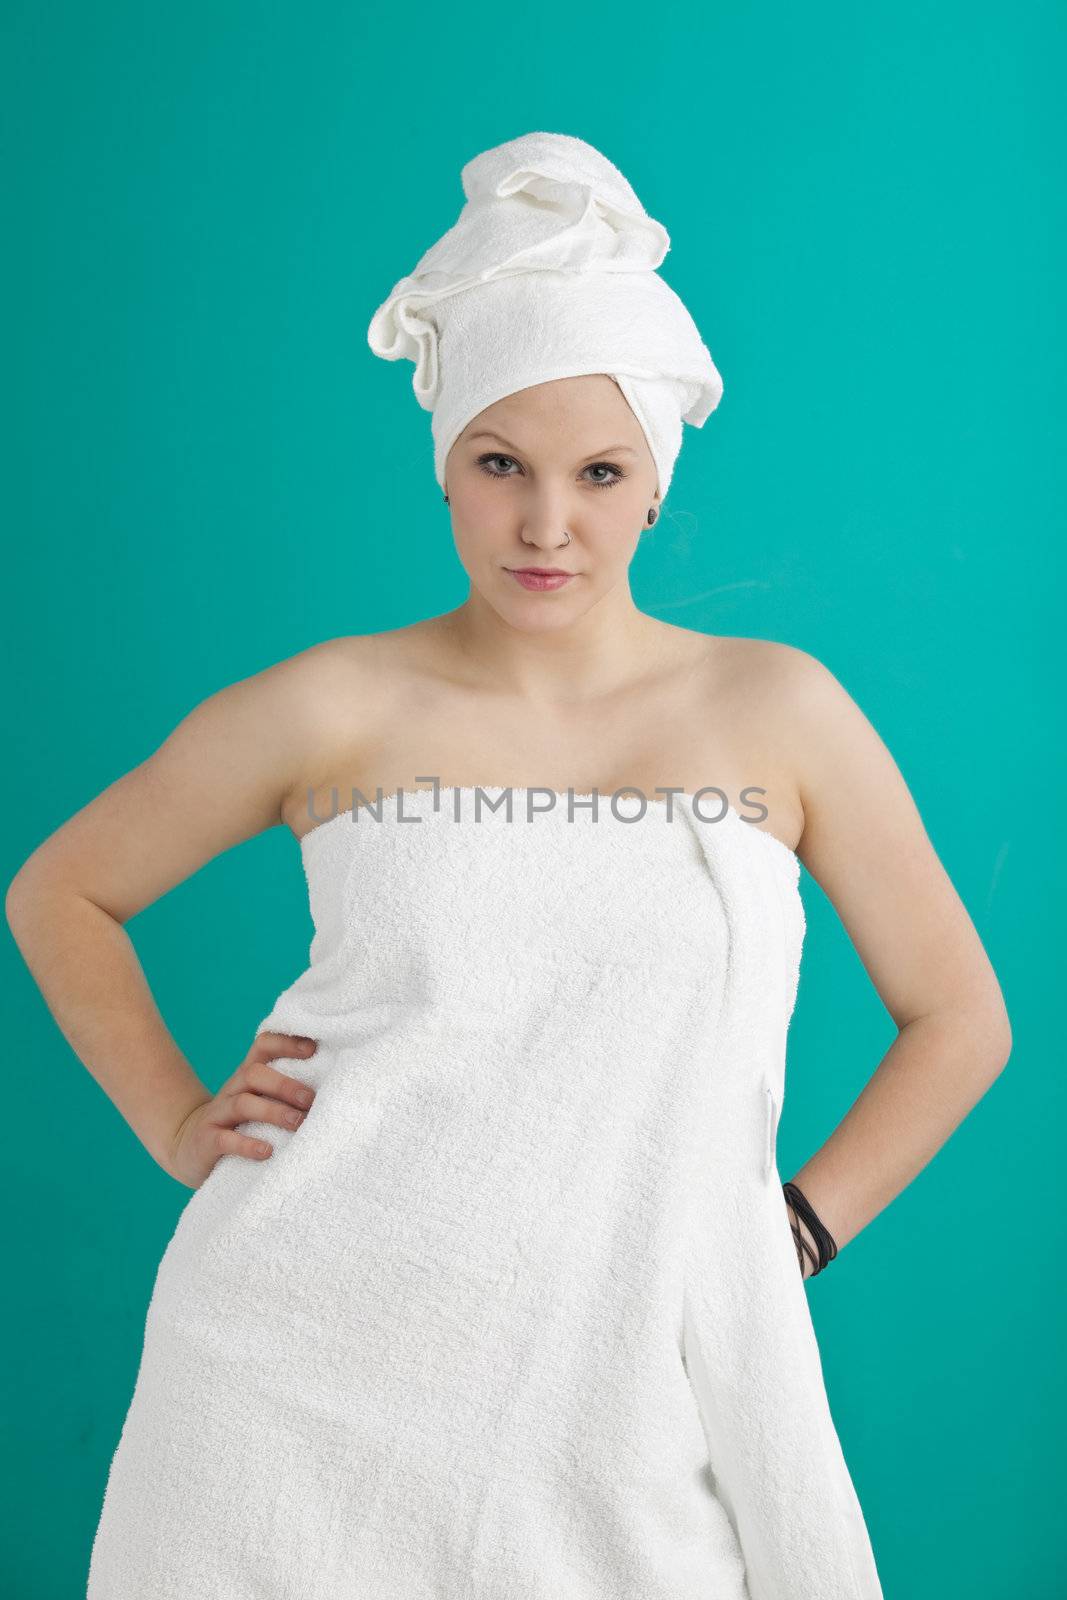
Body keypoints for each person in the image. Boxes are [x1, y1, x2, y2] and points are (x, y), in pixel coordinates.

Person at [7, 133, 1010, 1600]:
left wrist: (793, 1229)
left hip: (632, 1384)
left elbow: (961, 1017)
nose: (550, 524)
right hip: (291, 1376)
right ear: (447, 472)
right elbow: (59, 892)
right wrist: (174, 1121)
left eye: (600, 474)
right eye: (502, 466)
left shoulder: (776, 709)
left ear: (654, 482)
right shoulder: (336, 702)